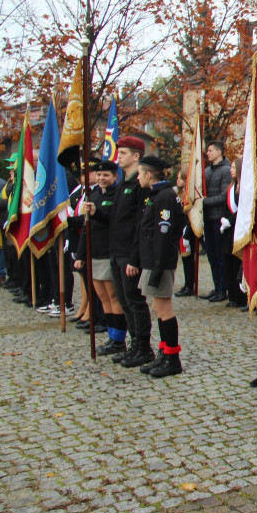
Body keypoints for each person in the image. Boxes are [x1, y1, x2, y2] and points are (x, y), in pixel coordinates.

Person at [85, 136, 153, 367]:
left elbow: (139, 225)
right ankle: (133, 344)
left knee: (134, 301)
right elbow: (116, 221)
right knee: (124, 302)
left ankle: (143, 347)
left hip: (128, 254)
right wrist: (96, 212)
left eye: (122, 153)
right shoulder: (124, 183)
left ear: (136, 156)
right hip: (115, 252)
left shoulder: (139, 185)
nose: (118, 157)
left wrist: (135, 258)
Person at [131, 155, 187, 378]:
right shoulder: (155, 195)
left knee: (164, 310)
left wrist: (157, 267)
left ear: (148, 174)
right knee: (158, 309)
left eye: (139, 173)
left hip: (159, 262)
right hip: (151, 260)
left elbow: (165, 234)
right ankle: (164, 353)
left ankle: (172, 358)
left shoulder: (163, 196)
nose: (137, 177)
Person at [74, 159, 128, 356]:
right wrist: (80, 255)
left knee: (113, 296)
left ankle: (118, 339)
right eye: (98, 175)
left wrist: (97, 213)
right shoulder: (94, 194)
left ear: (115, 176)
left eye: (106, 175)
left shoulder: (118, 194)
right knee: (102, 297)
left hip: (109, 252)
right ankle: (111, 334)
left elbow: (114, 220)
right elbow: (86, 228)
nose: (101, 178)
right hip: (94, 252)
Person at [200, 140, 231, 303]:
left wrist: (203, 202)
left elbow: (223, 196)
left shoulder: (226, 171)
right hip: (207, 217)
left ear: (219, 152)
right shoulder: (206, 171)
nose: (208, 153)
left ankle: (223, 288)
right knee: (211, 255)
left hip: (219, 218)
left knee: (219, 255)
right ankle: (216, 285)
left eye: (210, 150)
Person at [221, 158, 246, 309]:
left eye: (233, 167)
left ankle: (241, 297)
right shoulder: (231, 187)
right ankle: (232, 297)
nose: (231, 170)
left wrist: (230, 220)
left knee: (237, 263)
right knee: (228, 264)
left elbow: (243, 209)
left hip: (238, 228)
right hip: (228, 230)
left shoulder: (244, 187)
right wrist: (224, 220)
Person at [174, 168, 196, 297]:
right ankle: (187, 284)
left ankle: (189, 285)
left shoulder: (188, 196)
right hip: (179, 230)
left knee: (188, 259)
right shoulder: (177, 194)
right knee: (184, 260)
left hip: (187, 230)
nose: (178, 181)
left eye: (180, 178)